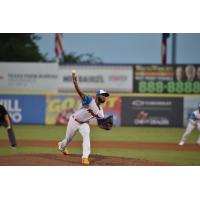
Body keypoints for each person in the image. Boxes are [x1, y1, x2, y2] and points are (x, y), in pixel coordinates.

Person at [58, 71, 109, 165]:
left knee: (86, 137)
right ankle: (61, 146)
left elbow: (101, 120)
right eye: (103, 95)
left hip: (84, 124)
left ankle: (85, 157)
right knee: (68, 139)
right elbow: (80, 92)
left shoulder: (101, 111)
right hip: (74, 120)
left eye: (105, 96)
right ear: (97, 96)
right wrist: (75, 82)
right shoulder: (89, 100)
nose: (104, 97)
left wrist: (106, 125)